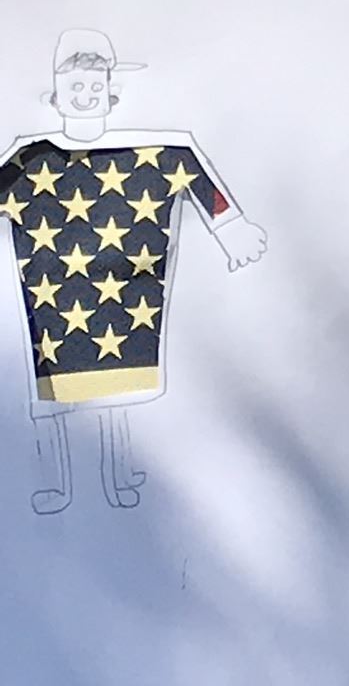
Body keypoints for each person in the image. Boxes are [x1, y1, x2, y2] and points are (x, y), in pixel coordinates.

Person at [0, 28, 267, 514]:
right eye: (76, 86)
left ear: (112, 94)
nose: (86, 96)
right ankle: (59, 487)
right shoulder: (30, 157)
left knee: (116, 402)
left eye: (94, 86)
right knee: (57, 404)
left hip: (124, 308)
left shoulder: (148, 151)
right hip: (51, 305)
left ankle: (118, 475)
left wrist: (231, 226)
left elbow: (192, 171)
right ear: (56, 95)